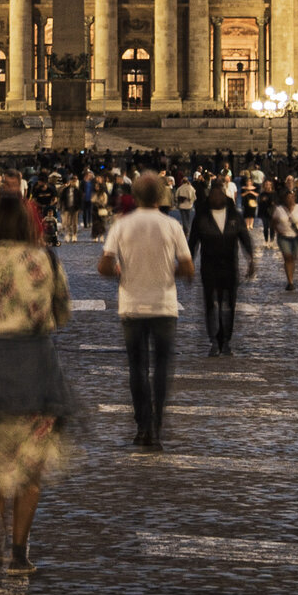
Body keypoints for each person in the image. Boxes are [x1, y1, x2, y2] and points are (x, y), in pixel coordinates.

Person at [0, 193, 75, 578]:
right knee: (33, 470)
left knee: (1, 462)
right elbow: (62, 314)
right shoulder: (45, 260)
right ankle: (19, 552)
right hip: (38, 367)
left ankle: (0, 535)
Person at [99, 172, 193, 450]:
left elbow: (104, 266)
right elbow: (188, 268)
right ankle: (157, 425)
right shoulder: (172, 225)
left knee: (137, 369)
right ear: (161, 197)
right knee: (162, 369)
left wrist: (119, 269)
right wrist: (167, 270)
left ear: (136, 196)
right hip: (164, 305)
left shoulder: (122, 225)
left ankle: (142, 426)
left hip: (131, 304)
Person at [190, 183, 256, 356]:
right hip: (209, 266)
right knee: (211, 304)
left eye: (219, 195)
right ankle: (214, 340)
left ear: (224, 197)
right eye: (213, 195)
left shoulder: (235, 216)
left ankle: (225, 340)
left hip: (229, 266)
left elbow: (244, 237)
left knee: (229, 305)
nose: (216, 198)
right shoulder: (201, 217)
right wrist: (188, 261)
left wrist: (250, 259)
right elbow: (193, 241)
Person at [270, 180, 298, 291]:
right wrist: (278, 231)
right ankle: (290, 281)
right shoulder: (279, 210)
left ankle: (291, 275)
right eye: (288, 197)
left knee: (293, 257)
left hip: (297, 237)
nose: (290, 199)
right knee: (288, 257)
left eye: (292, 197)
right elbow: (273, 222)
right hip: (284, 237)